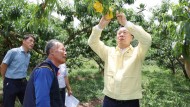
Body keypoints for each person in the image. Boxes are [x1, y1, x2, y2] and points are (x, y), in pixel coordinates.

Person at [88, 12, 152, 107]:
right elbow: (92, 42)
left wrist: (126, 23)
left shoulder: (138, 52)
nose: (121, 35)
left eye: (125, 32)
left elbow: (147, 40)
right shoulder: (109, 52)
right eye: (119, 33)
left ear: (132, 37)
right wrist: (100, 26)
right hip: (109, 101)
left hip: (130, 102)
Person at [23, 39, 66, 107]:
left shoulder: (51, 69)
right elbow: (42, 102)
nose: (65, 53)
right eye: (62, 50)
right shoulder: (45, 70)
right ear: (52, 52)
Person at [0, 34, 35, 107]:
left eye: (33, 42)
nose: (32, 43)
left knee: (29, 103)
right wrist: (5, 78)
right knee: (8, 104)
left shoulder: (28, 55)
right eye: (30, 41)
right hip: (11, 82)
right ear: (24, 41)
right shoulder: (13, 52)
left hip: (23, 82)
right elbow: (3, 66)